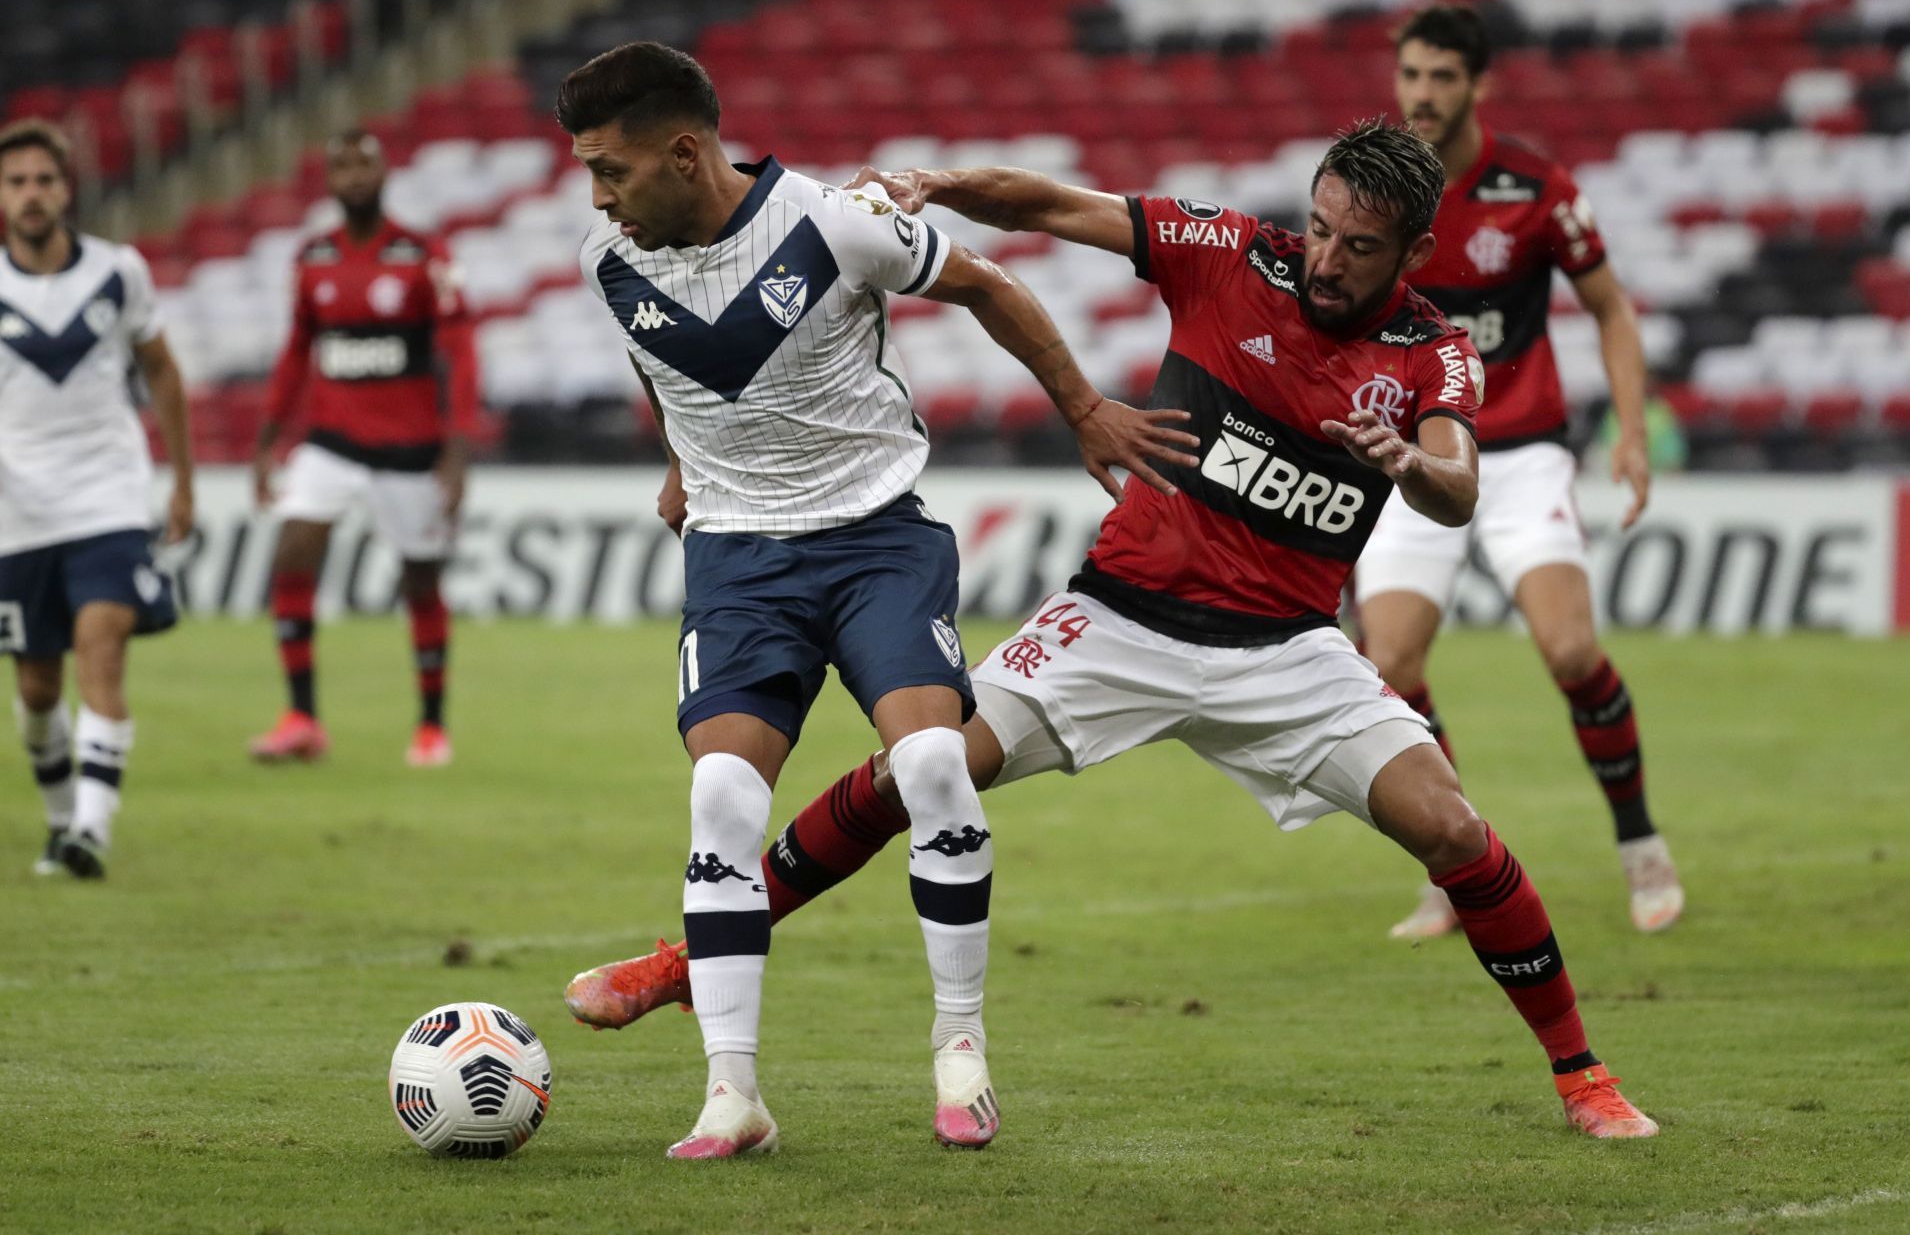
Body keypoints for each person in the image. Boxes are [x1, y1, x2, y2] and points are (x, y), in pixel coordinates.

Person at [564, 119, 1663, 1142]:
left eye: (1360, 246)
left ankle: (1584, 1075)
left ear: (1414, 251)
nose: (1327, 258)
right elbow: (1047, 206)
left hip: (1288, 653)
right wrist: (939, 184)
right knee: (920, 771)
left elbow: (1460, 485)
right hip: (1116, 621)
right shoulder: (1230, 251)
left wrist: (1413, 464)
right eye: (1321, 226)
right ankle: (680, 960)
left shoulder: (1432, 350)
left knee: (1456, 832)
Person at [558, 42, 1195, 1159]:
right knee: (720, 795)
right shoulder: (607, 261)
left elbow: (989, 284)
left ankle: (960, 1052)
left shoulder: (834, 222)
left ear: (685, 153)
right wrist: (679, 462)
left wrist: (1085, 406)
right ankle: (732, 1093)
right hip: (739, 560)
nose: (599, 197)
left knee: (936, 762)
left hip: (875, 543)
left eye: (611, 171)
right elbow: (659, 366)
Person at [1359, 3, 1683, 939]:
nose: (1421, 94)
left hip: (1522, 452)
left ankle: (1640, 843)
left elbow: (1612, 309)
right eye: (1410, 75)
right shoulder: (1379, 193)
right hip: (1416, 460)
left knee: (1571, 653)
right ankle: (1457, 869)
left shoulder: (1535, 189)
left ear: (1477, 84)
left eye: (1440, 78)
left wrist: (1629, 427)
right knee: (1393, 664)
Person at [0, 118, 195, 879]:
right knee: (37, 685)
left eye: (44, 180)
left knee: (101, 650)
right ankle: (59, 823)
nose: (32, 195)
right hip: (16, 512)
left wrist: (180, 480)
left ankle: (90, 830)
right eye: (17, 183)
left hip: (107, 498)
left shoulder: (119, 272)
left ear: (67, 187)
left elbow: (163, 372)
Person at [248, 130, 477, 768]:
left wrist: (457, 450)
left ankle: (431, 725)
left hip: (408, 449)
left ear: (384, 175)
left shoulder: (421, 254)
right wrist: (268, 441)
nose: (352, 175)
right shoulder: (312, 256)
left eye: (363, 164)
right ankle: (301, 718)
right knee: (292, 550)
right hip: (329, 441)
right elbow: (296, 353)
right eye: (340, 164)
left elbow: (460, 354)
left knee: (419, 581)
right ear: (329, 179)